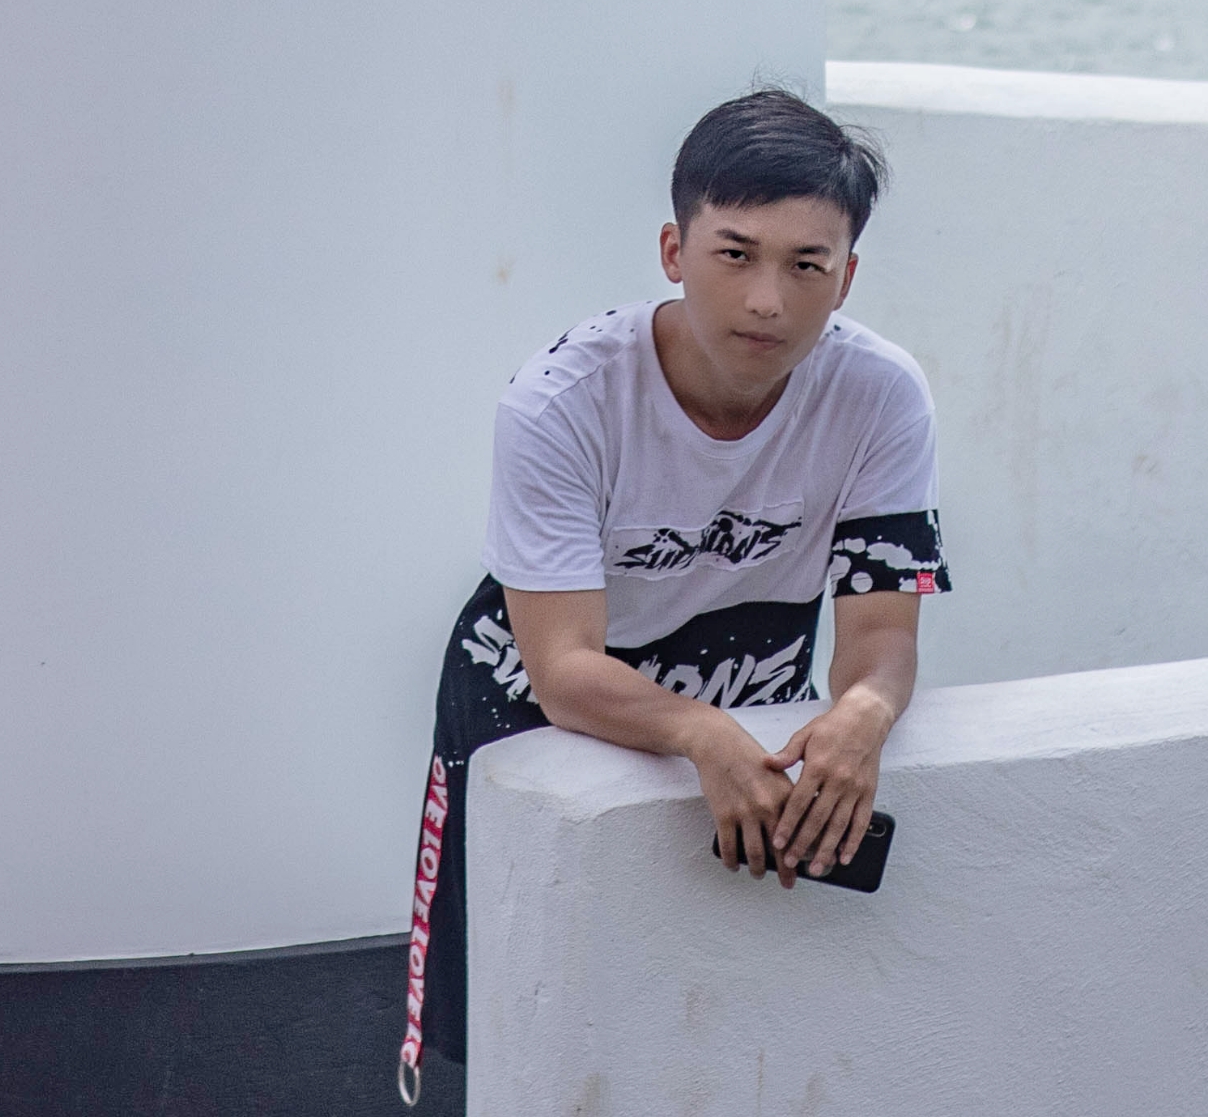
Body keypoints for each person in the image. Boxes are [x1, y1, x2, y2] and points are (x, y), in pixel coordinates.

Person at [399, 88, 947, 1090]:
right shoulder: (563, 401)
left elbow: (880, 633)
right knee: (502, 1017)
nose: (767, 300)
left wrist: (863, 712)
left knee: (719, 996)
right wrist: (697, 731)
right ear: (671, 249)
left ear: (848, 275)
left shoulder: (882, 393)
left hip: (744, 675)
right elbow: (563, 667)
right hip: (537, 692)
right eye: (734, 253)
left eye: (806, 264)